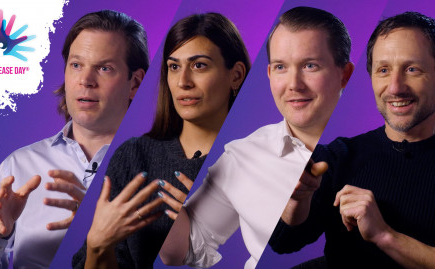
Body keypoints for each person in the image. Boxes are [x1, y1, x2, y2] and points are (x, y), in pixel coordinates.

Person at [160, 6, 354, 269]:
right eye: (281, 67)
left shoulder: (378, 144)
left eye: (310, 65)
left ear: (344, 75)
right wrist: (165, 204)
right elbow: (179, 253)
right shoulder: (242, 155)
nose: (294, 84)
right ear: (270, 74)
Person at [0, 10, 148, 268]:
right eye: (76, 65)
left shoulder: (162, 165)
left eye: (104, 68)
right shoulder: (20, 165)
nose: (85, 81)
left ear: (135, 83)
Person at [71, 12, 250, 269]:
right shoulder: (134, 155)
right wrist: (98, 245)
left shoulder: (252, 158)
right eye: (174, 67)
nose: (183, 82)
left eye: (199, 65)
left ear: (236, 75)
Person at [269, 11, 435, 269]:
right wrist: (297, 198)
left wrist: (384, 235)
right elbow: (283, 243)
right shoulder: (339, 156)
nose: (394, 87)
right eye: (383, 70)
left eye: (412, 69)